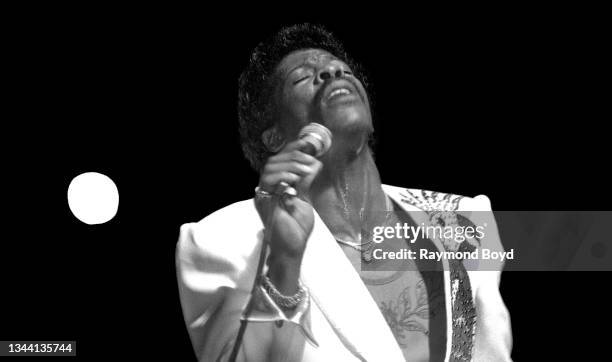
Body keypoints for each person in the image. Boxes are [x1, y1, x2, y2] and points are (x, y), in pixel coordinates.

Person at [176, 23, 512, 362]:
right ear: (274, 137)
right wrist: (283, 260)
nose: (331, 71)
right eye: (302, 77)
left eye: (342, 69)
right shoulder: (225, 239)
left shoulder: (462, 216)